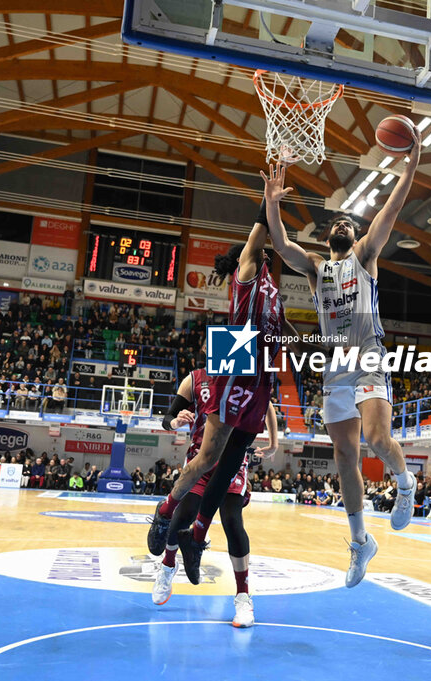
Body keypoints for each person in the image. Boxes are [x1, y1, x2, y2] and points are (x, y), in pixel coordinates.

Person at [262, 141, 423, 587]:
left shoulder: (365, 256)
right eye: (337, 222)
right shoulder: (316, 269)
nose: (342, 224)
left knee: (377, 438)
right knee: (344, 456)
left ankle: (405, 483)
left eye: (348, 224)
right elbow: (280, 243)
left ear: (355, 238)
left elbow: (391, 210)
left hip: (368, 355)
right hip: (334, 368)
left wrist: (410, 167)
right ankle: (360, 542)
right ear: (328, 237)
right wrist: (271, 202)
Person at [147, 192, 284, 587]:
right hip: (238, 354)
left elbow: (281, 327)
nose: (265, 249)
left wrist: (310, 346)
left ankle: (195, 540)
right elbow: (259, 233)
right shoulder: (248, 272)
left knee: (230, 463)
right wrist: (271, 199)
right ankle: (166, 512)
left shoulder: (273, 291)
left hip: (261, 370)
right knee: (208, 457)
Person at [152, 366, 277, 627]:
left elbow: (267, 405)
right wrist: (175, 422)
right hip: (201, 459)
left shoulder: (246, 376)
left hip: (233, 462)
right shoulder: (195, 379)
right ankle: (168, 566)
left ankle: (243, 596)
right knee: (184, 515)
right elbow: (168, 416)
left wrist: (274, 444)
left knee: (232, 521)